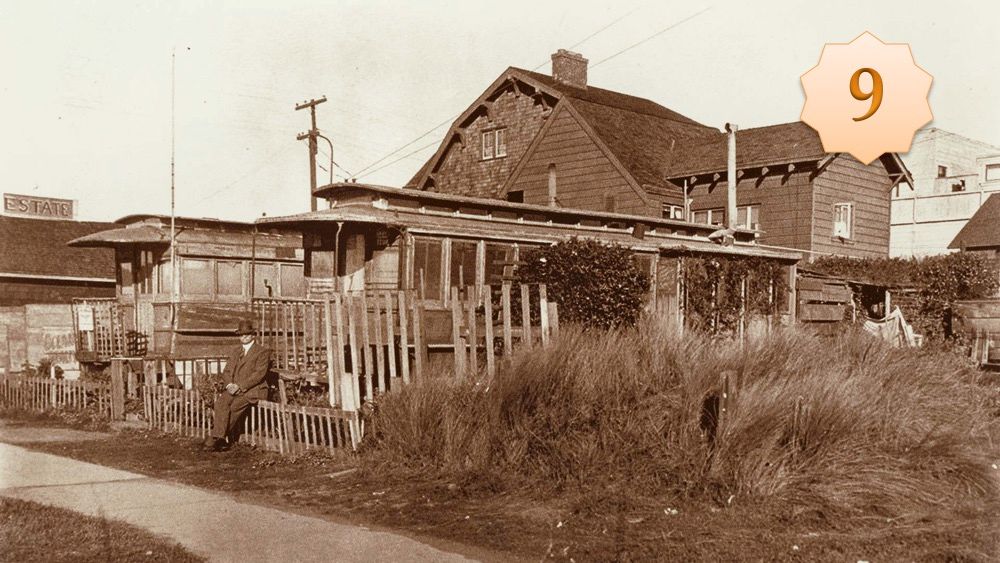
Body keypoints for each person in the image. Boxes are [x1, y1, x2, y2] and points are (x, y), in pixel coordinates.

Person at [204, 320, 271, 451]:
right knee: (221, 404)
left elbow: (259, 374)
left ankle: (216, 438)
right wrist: (229, 384)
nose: (243, 337)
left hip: (252, 390)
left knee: (234, 407)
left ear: (253, 335)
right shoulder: (236, 351)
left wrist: (240, 386)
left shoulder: (262, 352)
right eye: (241, 335)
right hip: (233, 388)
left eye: (247, 334)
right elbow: (227, 371)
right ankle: (221, 439)